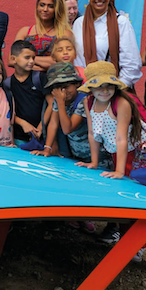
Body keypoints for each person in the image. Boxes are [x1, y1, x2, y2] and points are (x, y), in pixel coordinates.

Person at [77, 61, 146, 265]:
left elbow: (122, 137)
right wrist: (94, 162)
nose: (104, 90)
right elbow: (92, 133)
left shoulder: (121, 103)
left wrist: (119, 171)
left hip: (141, 153)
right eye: (99, 86)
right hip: (119, 153)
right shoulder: (88, 102)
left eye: (109, 86)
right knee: (124, 198)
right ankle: (134, 245)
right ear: (90, 87)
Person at [32, 62, 96, 234]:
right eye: (58, 88)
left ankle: (103, 222)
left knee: (94, 187)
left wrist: (60, 103)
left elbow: (67, 128)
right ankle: (78, 217)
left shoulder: (83, 99)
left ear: (76, 84)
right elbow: (53, 123)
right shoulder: (59, 99)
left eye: (66, 86)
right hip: (77, 152)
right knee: (78, 185)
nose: (63, 92)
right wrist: (47, 148)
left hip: (95, 154)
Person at [72, 0, 142, 88]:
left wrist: (118, 87)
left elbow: (131, 62)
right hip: (84, 89)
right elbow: (76, 59)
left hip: (112, 89)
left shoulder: (121, 22)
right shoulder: (79, 23)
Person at [13, 0, 73, 72]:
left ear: (57, 9)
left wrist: (25, 58)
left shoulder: (64, 33)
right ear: (37, 7)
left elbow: (62, 62)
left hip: (54, 81)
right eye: (42, 5)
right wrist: (43, 65)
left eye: (50, 6)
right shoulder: (25, 32)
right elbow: (12, 60)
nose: (45, 9)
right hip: (25, 82)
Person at [6, 41, 46, 146]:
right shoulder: (7, 84)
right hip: (19, 137)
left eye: (33, 58)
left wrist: (42, 126)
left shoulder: (40, 78)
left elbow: (51, 104)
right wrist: (22, 123)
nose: (32, 61)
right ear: (13, 59)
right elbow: (5, 110)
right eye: (27, 57)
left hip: (42, 135)